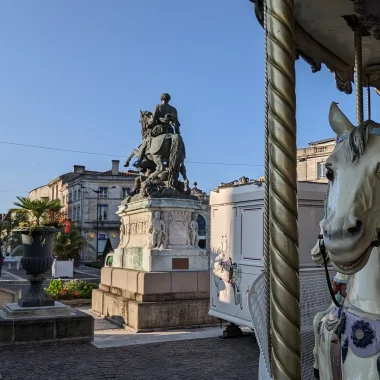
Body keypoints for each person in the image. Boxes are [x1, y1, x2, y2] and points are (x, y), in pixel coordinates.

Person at [136, 93, 180, 167]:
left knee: (146, 141)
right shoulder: (173, 109)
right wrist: (177, 133)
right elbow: (176, 123)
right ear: (169, 99)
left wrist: (148, 124)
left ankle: (139, 161)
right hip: (170, 131)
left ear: (161, 99)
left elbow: (152, 121)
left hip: (158, 130)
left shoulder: (158, 106)